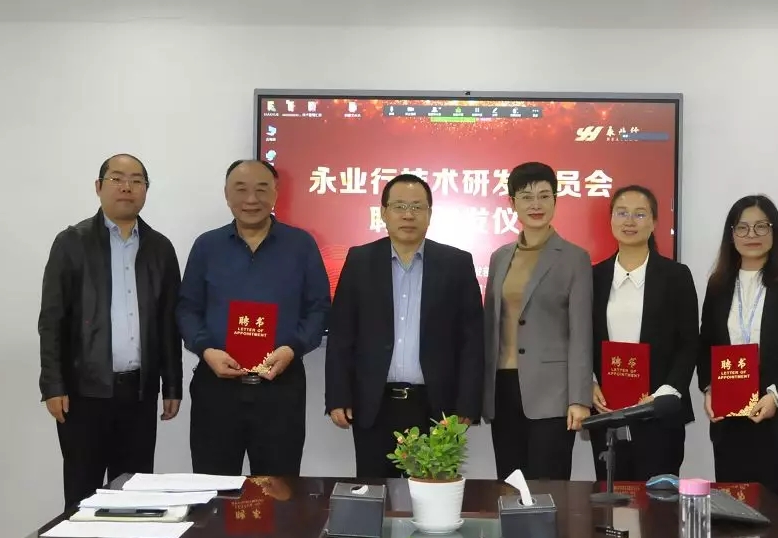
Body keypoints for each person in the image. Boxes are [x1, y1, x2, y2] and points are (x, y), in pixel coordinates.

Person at [38, 153, 183, 510]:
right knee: (82, 495)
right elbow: (52, 319)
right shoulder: (71, 242)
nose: (126, 187)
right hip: (83, 393)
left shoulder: (160, 248)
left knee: (134, 496)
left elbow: (169, 322)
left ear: (146, 190)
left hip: (139, 393)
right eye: (117, 178)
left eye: (136, 180)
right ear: (99, 186)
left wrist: (172, 385)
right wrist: (53, 384)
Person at [324, 174, 484, 478]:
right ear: (383, 212)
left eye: (417, 207)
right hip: (374, 404)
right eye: (399, 206)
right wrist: (338, 396)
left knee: (431, 494)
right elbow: (342, 334)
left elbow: (472, 341)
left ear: (430, 214)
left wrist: (467, 404)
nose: (408, 215)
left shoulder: (456, 263)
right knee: (375, 493)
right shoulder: (360, 260)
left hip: (436, 407)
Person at [177, 159, 330, 476]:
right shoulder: (207, 246)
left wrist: (292, 348)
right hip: (216, 388)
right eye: (241, 189)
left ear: (276, 193)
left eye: (261, 189)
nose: (251, 199)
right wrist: (207, 350)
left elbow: (319, 308)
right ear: (226, 194)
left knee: (278, 489)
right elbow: (187, 308)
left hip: (280, 389)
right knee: (213, 488)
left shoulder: (301, 245)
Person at [697, 195, 778, 512]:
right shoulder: (718, 285)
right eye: (742, 227)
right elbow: (706, 343)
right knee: (735, 519)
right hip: (731, 423)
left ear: (774, 231)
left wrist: (776, 396)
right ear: (731, 234)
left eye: (761, 226)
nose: (751, 235)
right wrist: (709, 388)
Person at [483, 162, 594, 480]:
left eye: (544, 196)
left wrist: (579, 398)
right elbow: (491, 325)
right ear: (512, 202)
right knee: (510, 484)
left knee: (550, 485)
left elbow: (581, 332)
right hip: (503, 389)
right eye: (526, 196)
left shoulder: (574, 257)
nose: (536, 204)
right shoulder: (500, 257)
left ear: (555, 200)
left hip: (553, 393)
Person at [589, 185, 699, 481]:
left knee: (658, 500)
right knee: (612, 498)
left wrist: (664, 395)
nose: (630, 221)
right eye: (621, 213)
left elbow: (690, 344)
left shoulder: (676, 276)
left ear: (654, 222)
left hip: (659, 414)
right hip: (607, 412)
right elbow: (583, 339)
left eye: (639, 214)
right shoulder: (594, 277)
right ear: (611, 220)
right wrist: (590, 382)